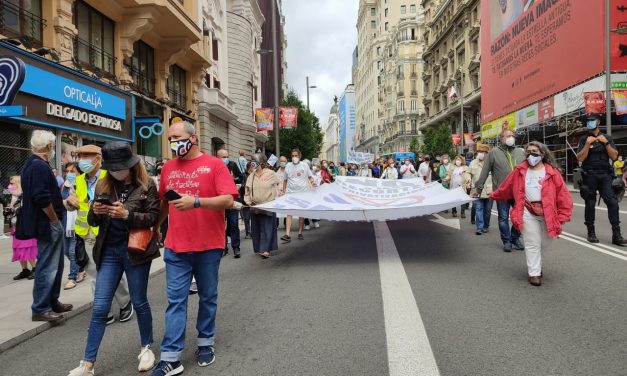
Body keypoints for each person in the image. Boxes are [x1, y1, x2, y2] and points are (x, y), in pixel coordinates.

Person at [152, 121, 238, 376]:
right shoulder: (168, 167)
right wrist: (156, 227)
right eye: (170, 139)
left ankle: (205, 342)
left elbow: (228, 199)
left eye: (177, 137)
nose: (173, 143)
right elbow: (165, 202)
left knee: (208, 297)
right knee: (175, 301)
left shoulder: (215, 165)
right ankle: (170, 357)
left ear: (193, 138)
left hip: (208, 245)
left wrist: (197, 202)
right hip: (176, 246)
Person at [67, 142, 161, 376]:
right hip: (108, 250)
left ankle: (146, 347)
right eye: (113, 168)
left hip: (135, 250)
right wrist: (96, 213)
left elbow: (152, 217)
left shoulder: (147, 184)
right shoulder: (103, 184)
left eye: (121, 167)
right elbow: (92, 220)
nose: (118, 172)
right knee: (99, 307)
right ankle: (88, 363)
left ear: (131, 165)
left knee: (139, 301)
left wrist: (127, 214)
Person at [490, 141, 573, 286]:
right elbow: (506, 187)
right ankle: (534, 273)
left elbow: (563, 195)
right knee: (532, 243)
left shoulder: (552, 172)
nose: (531, 154)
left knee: (545, 242)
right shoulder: (519, 171)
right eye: (528, 152)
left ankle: (536, 264)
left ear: (542, 154)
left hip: (548, 213)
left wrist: (563, 216)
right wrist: (493, 195)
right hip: (527, 211)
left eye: (535, 151)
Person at [75, 144, 132, 324]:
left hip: (108, 233)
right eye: (81, 156)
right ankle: (103, 309)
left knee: (114, 273)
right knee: (93, 274)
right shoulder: (78, 180)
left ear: (98, 158)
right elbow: (75, 202)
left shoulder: (110, 176)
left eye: (87, 156)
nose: (83, 160)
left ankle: (125, 302)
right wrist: (68, 201)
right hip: (87, 233)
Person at [20, 130, 71, 322]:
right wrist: (54, 219)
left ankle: (52, 301)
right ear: (49, 146)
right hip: (47, 223)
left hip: (47, 221)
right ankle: (41, 308)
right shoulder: (39, 166)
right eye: (53, 146)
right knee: (48, 266)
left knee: (55, 264)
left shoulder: (34, 164)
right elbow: (41, 197)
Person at [577, 114, 627, 245]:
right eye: (588, 121)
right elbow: (580, 158)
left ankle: (616, 235)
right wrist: (587, 144)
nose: (589, 123)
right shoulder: (583, 139)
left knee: (613, 203)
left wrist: (605, 143)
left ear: (598, 122)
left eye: (591, 121)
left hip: (605, 175)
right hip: (590, 175)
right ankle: (591, 232)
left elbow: (614, 156)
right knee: (590, 203)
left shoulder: (607, 138)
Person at [474, 129, 526, 252]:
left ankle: (515, 237)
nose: (511, 138)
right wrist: (479, 188)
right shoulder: (494, 153)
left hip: (518, 191)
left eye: (512, 136)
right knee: (503, 217)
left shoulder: (520, 152)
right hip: (502, 191)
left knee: (521, 216)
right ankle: (507, 241)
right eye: (508, 136)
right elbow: (485, 171)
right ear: (502, 138)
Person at [245, 153, 280, 258]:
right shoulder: (251, 176)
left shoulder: (271, 173)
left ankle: (266, 249)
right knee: (256, 228)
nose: (252, 163)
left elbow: (279, 184)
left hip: (268, 205)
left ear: (260, 162)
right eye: (251, 161)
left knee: (267, 227)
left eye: (254, 161)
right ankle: (260, 248)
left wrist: (279, 193)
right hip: (255, 206)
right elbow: (247, 191)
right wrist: (248, 202)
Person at [6, 176, 38, 280]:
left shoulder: (24, 195)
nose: (10, 186)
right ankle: (25, 269)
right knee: (18, 247)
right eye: (10, 184)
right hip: (15, 225)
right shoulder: (12, 196)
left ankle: (34, 268)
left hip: (25, 225)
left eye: (13, 184)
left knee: (28, 246)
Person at [280, 149, 314, 242]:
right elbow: (285, 180)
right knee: (289, 213)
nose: (294, 157)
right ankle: (287, 234)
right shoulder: (288, 166)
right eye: (292, 155)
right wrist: (283, 191)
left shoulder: (304, 165)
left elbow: (310, 177)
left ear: (300, 156)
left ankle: (300, 232)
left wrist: (312, 182)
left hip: (302, 192)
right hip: (290, 193)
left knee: (300, 213)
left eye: (296, 155)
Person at [217, 149, 245, 258]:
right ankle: (223, 246)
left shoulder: (233, 165)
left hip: (232, 200)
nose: (226, 159)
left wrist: (234, 179)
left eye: (227, 156)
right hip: (219, 200)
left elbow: (240, 178)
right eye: (223, 157)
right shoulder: (214, 166)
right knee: (220, 225)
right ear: (218, 157)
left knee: (233, 223)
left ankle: (236, 247)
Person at [61, 162, 84, 290]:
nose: (69, 174)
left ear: (78, 172)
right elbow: (61, 200)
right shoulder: (65, 186)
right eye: (67, 171)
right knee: (65, 251)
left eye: (72, 171)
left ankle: (72, 277)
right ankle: (81, 268)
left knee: (72, 251)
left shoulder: (82, 184)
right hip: (65, 224)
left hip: (78, 224)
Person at [469, 144, 494, 235]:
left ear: (487, 153)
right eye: (479, 152)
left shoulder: (492, 163)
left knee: (487, 211)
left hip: (489, 191)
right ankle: (479, 227)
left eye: (482, 152)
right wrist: (468, 179)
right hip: (476, 191)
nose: (480, 154)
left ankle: (486, 226)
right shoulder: (473, 163)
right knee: (478, 209)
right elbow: (468, 173)